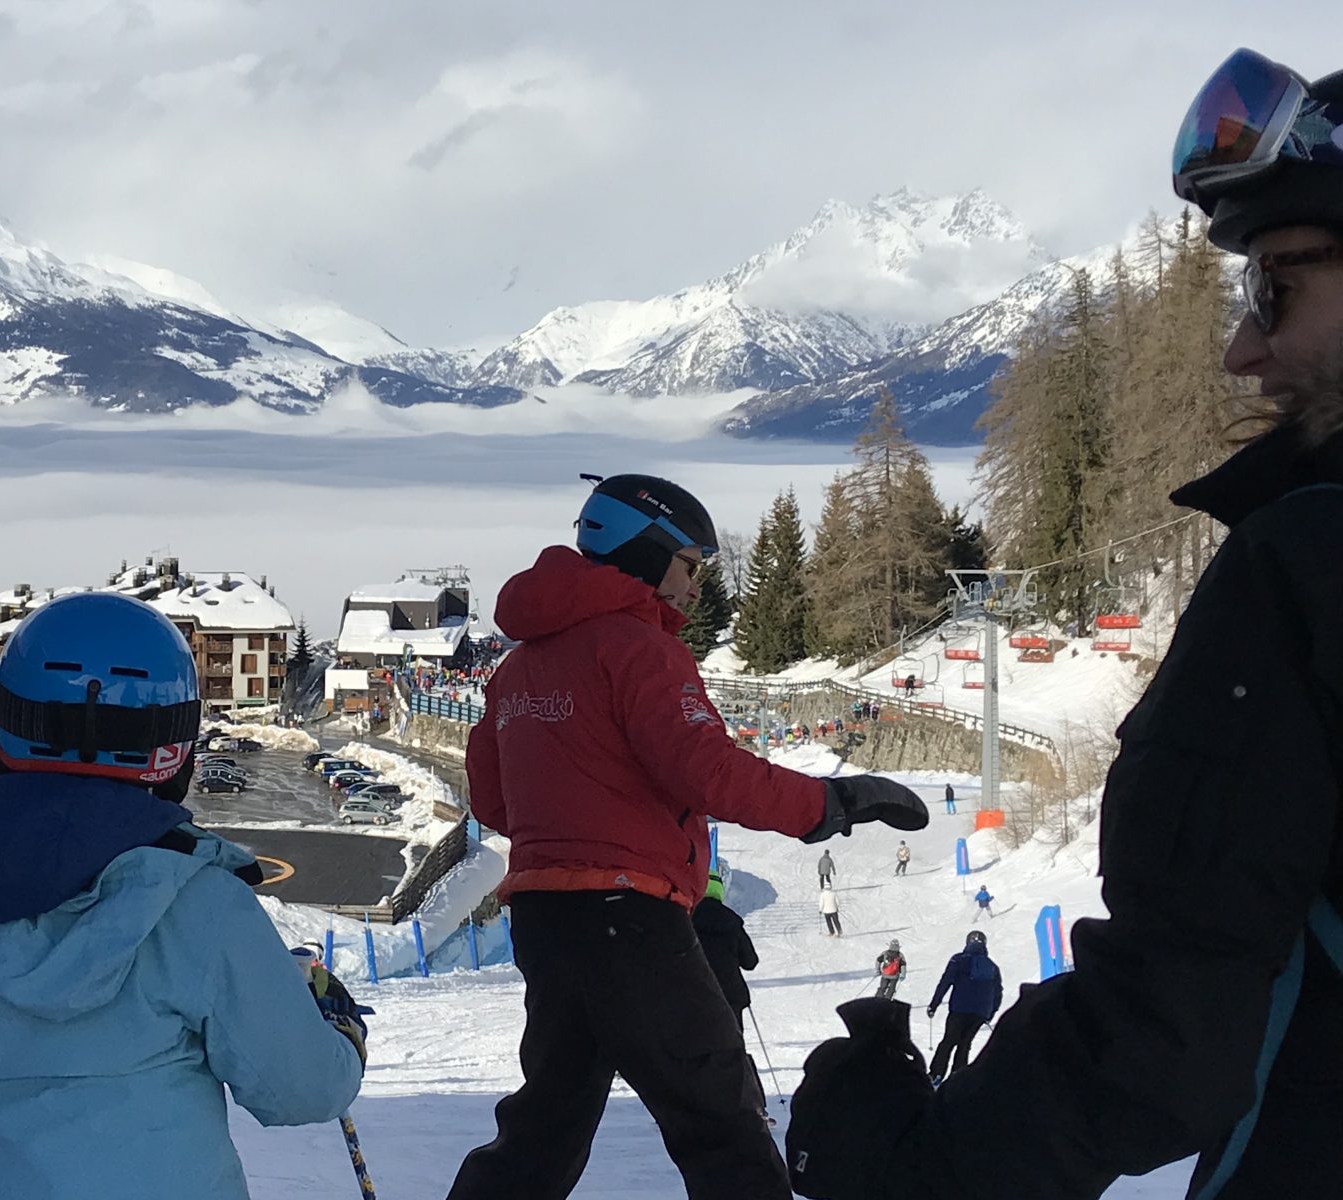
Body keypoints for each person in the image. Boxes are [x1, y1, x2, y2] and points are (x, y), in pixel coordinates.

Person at [787, 50, 1343, 1200]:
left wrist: (910, 1164)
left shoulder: (1305, 563)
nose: (1243, 347)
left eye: (1276, 283)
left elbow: (1175, 1012)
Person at [449, 473, 928, 1200]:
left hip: (547, 919)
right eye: (690, 566)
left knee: (544, 1129)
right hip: (625, 920)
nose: (697, 587)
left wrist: (658, 876)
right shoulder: (638, 647)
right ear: (646, 553)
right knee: (721, 1121)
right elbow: (708, 772)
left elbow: (495, 801)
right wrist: (833, 802)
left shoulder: (519, 667)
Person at [0, 593, 364, 1199]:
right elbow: (302, 1090)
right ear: (172, 747)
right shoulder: (201, 905)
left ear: (7, 727)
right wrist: (336, 1026)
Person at [693, 871, 770, 1124]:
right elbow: (751, 961)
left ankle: (697, 1106)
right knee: (734, 1049)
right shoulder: (731, 921)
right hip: (731, 996)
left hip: (696, 995)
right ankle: (752, 1105)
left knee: (696, 1050)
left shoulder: (684, 919)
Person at [926, 931, 1003, 1086]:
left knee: (948, 1041)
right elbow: (998, 993)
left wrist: (934, 1004)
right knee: (965, 1044)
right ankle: (958, 1078)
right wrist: (990, 1014)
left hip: (959, 1009)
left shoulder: (958, 960)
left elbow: (945, 982)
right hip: (980, 1013)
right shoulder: (992, 966)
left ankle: (936, 1074)